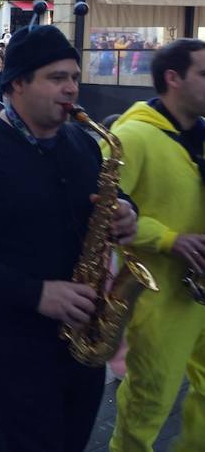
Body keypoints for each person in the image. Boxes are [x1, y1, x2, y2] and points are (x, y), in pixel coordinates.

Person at [0, 24, 138, 452]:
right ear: (17, 83)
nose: (71, 88)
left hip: (83, 329)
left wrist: (128, 211)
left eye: (74, 77)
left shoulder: (82, 142)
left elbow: (107, 195)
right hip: (12, 338)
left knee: (72, 438)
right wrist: (37, 294)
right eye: (57, 78)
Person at [108, 39, 205, 452]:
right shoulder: (131, 135)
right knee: (149, 404)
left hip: (197, 292)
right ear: (173, 78)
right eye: (204, 73)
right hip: (158, 298)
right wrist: (169, 239)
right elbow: (100, 210)